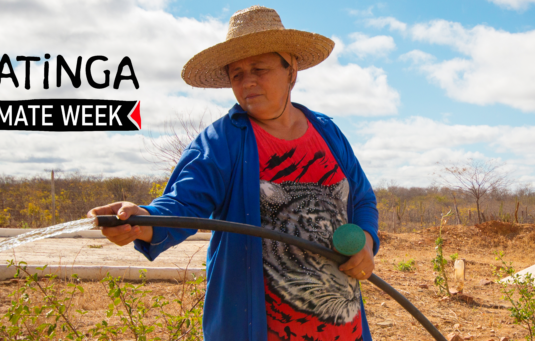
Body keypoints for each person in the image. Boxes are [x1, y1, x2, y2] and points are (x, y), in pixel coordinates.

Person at [87, 6, 379, 341]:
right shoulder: (222, 141)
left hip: (344, 329)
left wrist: (367, 241)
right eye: (236, 74)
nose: (247, 82)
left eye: (259, 68)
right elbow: (183, 204)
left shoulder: (326, 132)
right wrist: (143, 219)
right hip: (257, 328)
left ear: (291, 70)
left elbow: (361, 199)